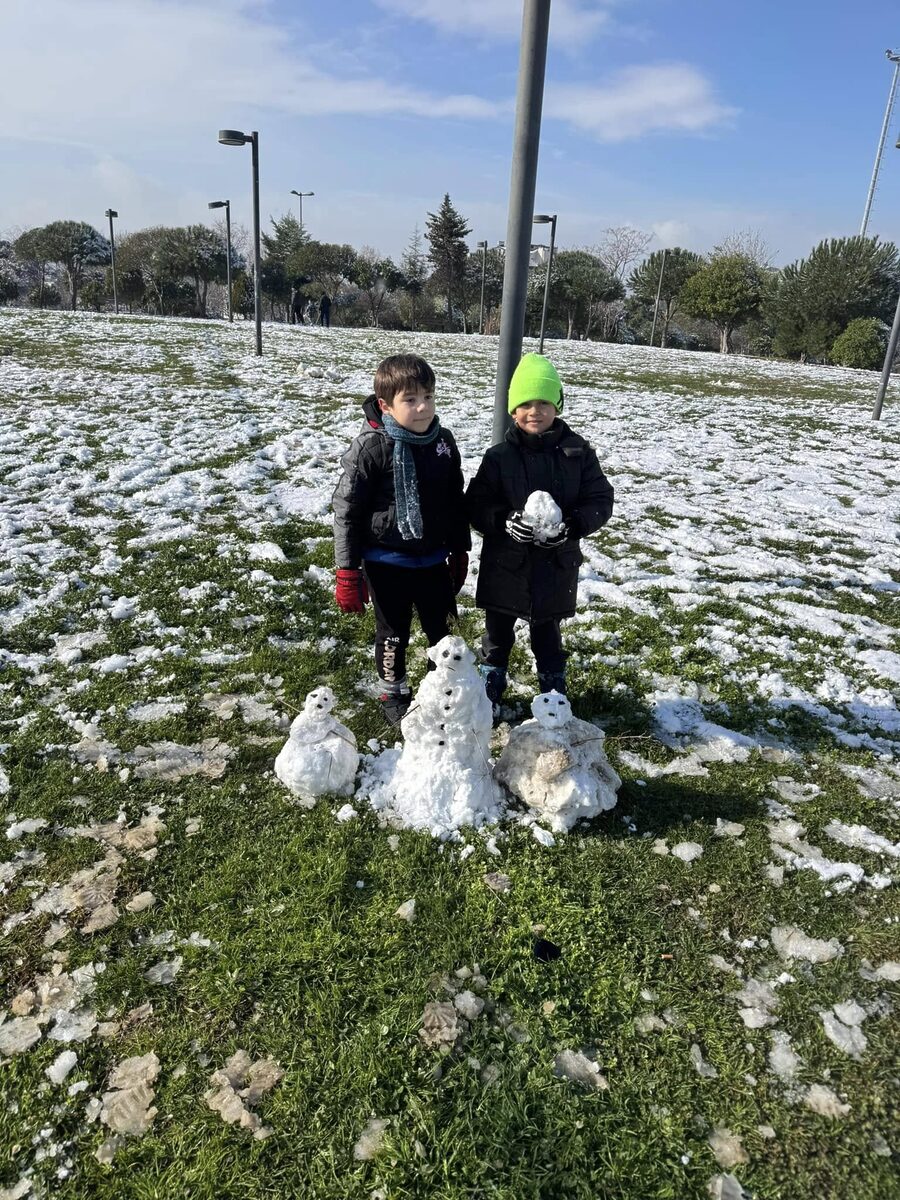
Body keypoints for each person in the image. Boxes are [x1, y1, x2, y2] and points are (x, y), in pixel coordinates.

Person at [465, 353, 613, 709]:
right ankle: (492, 676)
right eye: (526, 403)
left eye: (544, 402)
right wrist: (503, 520)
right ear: (513, 410)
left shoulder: (577, 454)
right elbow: (476, 503)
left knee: (547, 632)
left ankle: (552, 685)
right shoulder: (499, 456)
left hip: (554, 564)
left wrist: (573, 526)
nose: (536, 411)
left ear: (557, 405)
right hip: (507, 564)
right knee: (497, 631)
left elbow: (600, 498)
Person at [332, 354, 471, 725]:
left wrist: (459, 548)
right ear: (386, 405)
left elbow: (454, 498)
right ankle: (393, 690)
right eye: (410, 400)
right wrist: (347, 571)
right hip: (386, 561)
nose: (422, 406)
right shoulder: (372, 447)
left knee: (439, 630)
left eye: (428, 396)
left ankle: (437, 686)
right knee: (393, 633)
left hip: (432, 559)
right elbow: (347, 508)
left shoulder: (442, 442)